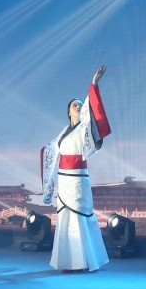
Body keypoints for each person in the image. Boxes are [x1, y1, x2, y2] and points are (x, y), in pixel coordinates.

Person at [41, 65, 111, 273]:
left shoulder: (85, 129)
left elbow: (95, 118)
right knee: (65, 219)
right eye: (74, 105)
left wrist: (94, 84)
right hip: (63, 182)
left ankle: (83, 261)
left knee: (79, 218)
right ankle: (68, 261)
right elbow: (51, 151)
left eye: (81, 105)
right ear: (68, 111)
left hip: (78, 180)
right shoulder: (64, 131)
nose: (78, 107)